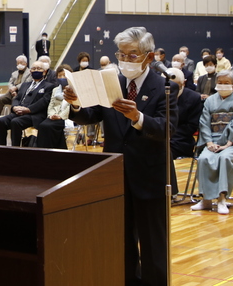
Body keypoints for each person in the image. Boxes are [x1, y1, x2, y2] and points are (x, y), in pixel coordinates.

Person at [64, 26, 178, 286]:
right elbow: (90, 116)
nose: (126, 61)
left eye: (133, 55)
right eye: (121, 55)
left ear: (149, 57)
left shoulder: (163, 87)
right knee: (120, 242)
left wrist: (138, 117)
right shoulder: (111, 83)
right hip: (115, 175)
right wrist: (75, 103)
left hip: (150, 177)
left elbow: (167, 129)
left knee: (153, 247)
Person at [191, 70, 233, 215]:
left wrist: (228, 143)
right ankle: (205, 199)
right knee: (204, 158)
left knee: (225, 158)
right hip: (212, 140)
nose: (222, 86)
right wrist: (209, 142)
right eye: (220, 83)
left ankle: (222, 199)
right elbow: (204, 122)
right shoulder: (210, 100)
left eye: (226, 83)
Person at [0, 60, 55, 147]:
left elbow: (43, 102)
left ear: (44, 72)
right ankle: (0, 148)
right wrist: (14, 107)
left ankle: (15, 149)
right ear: (30, 71)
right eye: (34, 68)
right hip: (19, 112)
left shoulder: (49, 86)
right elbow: (17, 98)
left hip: (34, 114)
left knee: (15, 122)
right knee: (1, 121)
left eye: (39, 68)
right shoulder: (25, 85)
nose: (36, 70)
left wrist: (28, 110)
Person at [166, 68, 203, 196]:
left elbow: (191, 126)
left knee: (163, 151)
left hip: (181, 141)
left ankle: (171, 192)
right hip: (159, 136)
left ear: (184, 83)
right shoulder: (158, 94)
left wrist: (169, 136)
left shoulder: (193, 98)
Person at [35, 65, 71, 149]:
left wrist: (60, 116)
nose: (62, 77)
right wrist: (51, 115)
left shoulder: (74, 90)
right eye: (60, 75)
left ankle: (54, 150)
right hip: (53, 116)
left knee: (48, 126)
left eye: (64, 75)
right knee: (42, 125)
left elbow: (71, 107)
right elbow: (51, 105)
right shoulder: (55, 90)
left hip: (66, 117)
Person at [0, 55, 29, 123]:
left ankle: (12, 120)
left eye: (21, 62)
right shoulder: (14, 73)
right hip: (11, 92)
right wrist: (11, 89)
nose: (19, 64)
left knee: (15, 100)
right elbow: (10, 82)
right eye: (18, 63)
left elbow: (26, 83)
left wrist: (16, 87)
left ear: (26, 63)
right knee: (0, 99)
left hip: (22, 93)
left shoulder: (30, 73)